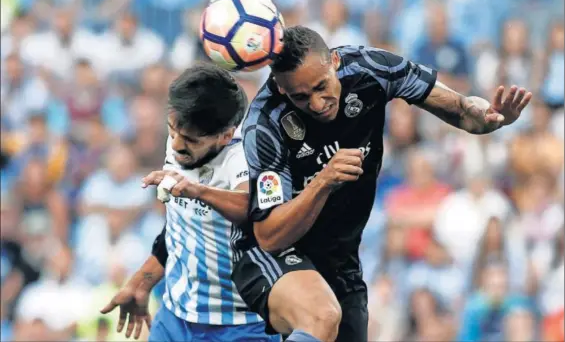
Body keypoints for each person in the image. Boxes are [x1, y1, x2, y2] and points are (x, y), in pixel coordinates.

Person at [230, 25, 532, 342]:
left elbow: (462, 109)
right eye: (301, 97)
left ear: (334, 61)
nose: (318, 104)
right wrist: (322, 182)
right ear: (280, 89)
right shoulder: (264, 124)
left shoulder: (371, 69)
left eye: (321, 87)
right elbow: (269, 236)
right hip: (271, 256)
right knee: (320, 316)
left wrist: (489, 117)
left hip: (339, 256)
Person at [100, 64, 280, 342]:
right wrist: (141, 282)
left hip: (241, 325)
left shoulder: (250, 154)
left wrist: (199, 191)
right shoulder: (179, 143)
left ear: (225, 135)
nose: (176, 146)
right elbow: (177, 228)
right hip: (175, 317)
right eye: (172, 132)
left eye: (191, 140)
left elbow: (255, 212)